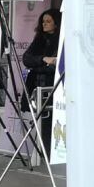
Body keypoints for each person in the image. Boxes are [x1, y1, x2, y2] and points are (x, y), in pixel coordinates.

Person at [22, 8, 61, 156]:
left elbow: (58, 67)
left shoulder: (62, 39)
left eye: (48, 21)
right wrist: (44, 60)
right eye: (43, 21)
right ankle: (45, 156)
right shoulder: (39, 39)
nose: (45, 24)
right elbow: (26, 59)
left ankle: (51, 157)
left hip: (54, 89)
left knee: (52, 126)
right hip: (37, 90)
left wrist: (39, 66)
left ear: (56, 23)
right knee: (43, 127)